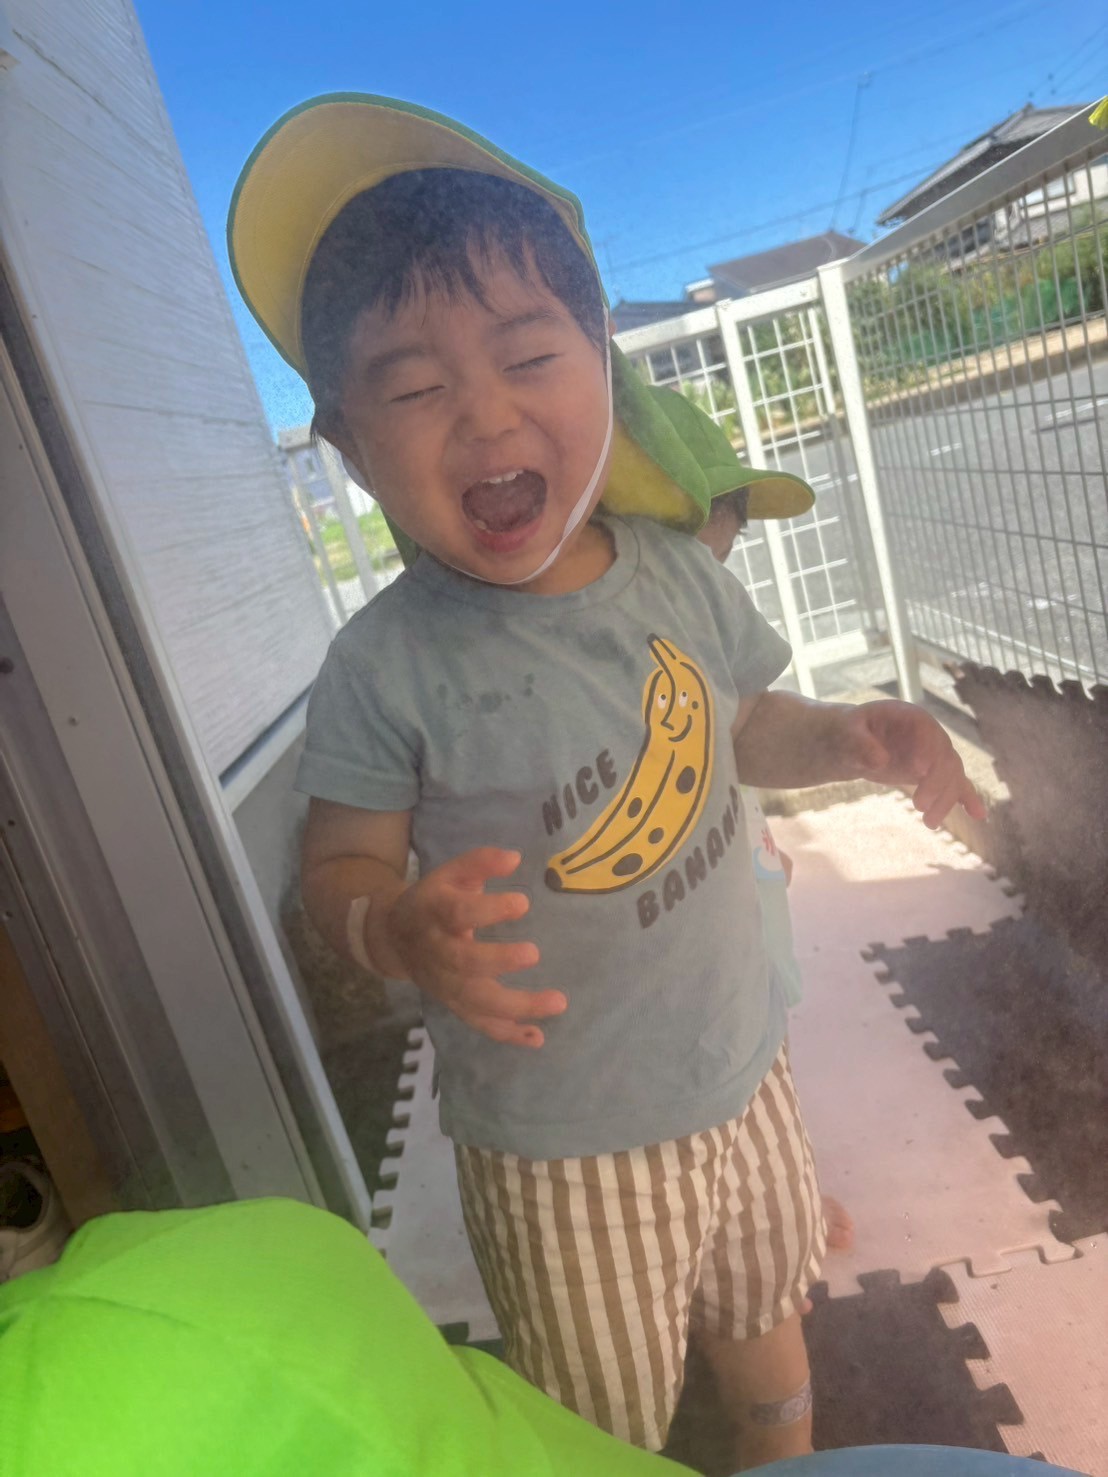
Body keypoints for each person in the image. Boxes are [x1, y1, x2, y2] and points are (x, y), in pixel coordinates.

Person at [228, 94, 983, 1470]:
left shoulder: (676, 573)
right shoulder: (385, 666)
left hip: (741, 1067)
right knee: (597, 1420)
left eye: (528, 356)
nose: (484, 413)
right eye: (414, 388)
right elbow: (337, 867)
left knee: (767, 1315)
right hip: (557, 1146)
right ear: (346, 443)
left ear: (603, 367)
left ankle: (779, 1454)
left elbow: (742, 727)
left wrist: (845, 737)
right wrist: (390, 928)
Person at [700, 490, 855, 1259]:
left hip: (745, 904)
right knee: (719, 1066)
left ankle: (785, 1183)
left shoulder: (706, 643)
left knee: (765, 1051)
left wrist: (763, 858)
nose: (708, 588)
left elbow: (736, 758)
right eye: (687, 563)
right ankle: (749, 1201)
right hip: (690, 943)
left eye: (720, 561)